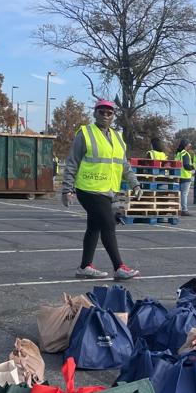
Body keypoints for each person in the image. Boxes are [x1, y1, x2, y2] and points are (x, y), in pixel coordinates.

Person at [60, 99, 141, 280]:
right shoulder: (85, 134)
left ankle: (84, 267)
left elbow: (124, 164)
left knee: (94, 227)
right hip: (88, 189)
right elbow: (72, 162)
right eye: (101, 112)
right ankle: (119, 267)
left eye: (109, 113)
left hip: (108, 190)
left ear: (113, 116)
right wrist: (67, 189)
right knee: (108, 223)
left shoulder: (118, 138)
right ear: (95, 113)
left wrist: (134, 183)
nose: (105, 115)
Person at [175, 138, 194, 216]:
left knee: (179, 194)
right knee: (184, 194)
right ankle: (184, 210)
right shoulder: (185, 154)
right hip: (185, 176)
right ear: (186, 145)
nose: (190, 146)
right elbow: (186, 166)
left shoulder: (178, 154)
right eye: (189, 144)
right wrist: (192, 167)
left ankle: (177, 208)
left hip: (178, 176)